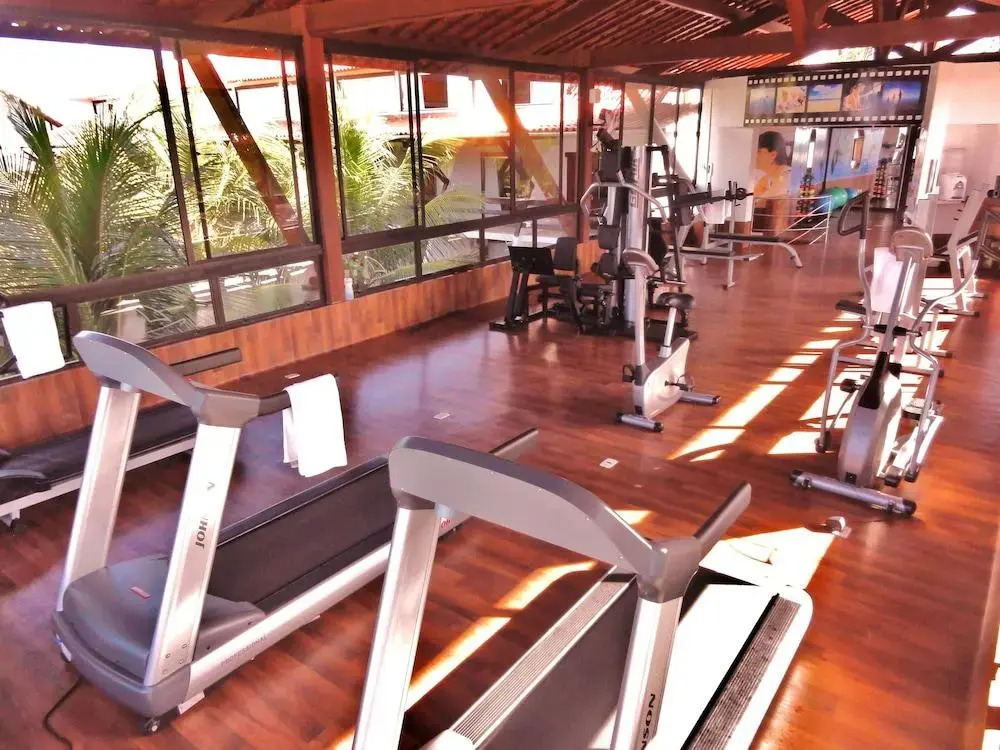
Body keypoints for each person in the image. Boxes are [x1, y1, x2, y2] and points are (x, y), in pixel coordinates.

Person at [754, 130, 791, 198]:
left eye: (759, 151)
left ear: (773, 154)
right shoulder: (764, 180)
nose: (754, 155)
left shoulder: (787, 176)